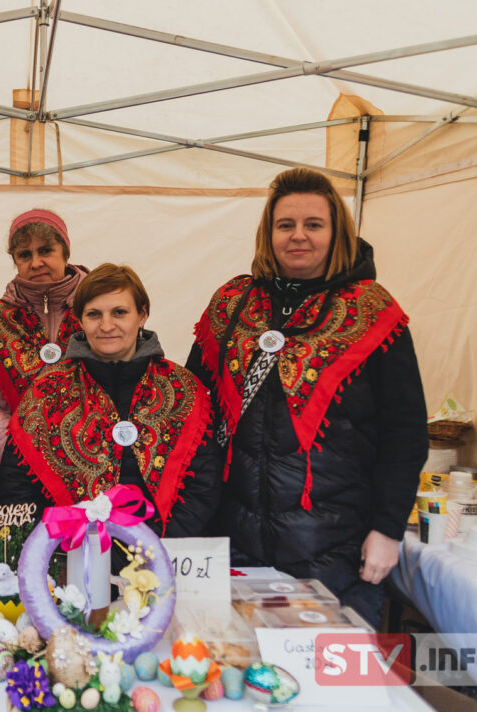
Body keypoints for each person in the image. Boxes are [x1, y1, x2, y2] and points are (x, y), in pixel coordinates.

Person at [186, 167, 428, 627]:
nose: (298, 236)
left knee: (328, 670)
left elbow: (406, 431)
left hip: (336, 552)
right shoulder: (232, 304)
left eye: (313, 224)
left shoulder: (373, 311)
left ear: (336, 233)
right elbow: (193, 412)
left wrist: (387, 529)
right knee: (238, 667)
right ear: (268, 234)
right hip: (235, 545)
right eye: (286, 225)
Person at [0, 264, 221, 537]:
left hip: (164, 548)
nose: (106, 325)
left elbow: (204, 483)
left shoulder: (181, 388)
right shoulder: (47, 391)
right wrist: (61, 545)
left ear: (142, 315)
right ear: (79, 320)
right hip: (72, 551)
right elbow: (16, 487)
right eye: (94, 314)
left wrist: (155, 545)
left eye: (119, 312)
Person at [0, 209, 88, 506]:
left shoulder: (96, 308)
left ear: (65, 252)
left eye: (46, 251)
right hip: (9, 472)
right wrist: (19, 451)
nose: (36, 262)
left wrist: (77, 448)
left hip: (88, 468)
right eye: (25, 254)